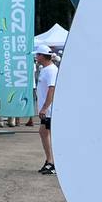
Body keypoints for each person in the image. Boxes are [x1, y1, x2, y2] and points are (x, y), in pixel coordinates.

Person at [34, 43, 57, 174]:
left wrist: (44, 108)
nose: (36, 57)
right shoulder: (45, 69)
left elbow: (51, 89)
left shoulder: (51, 70)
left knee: (46, 133)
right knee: (43, 132)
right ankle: (49, 161)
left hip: (50, 110)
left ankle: (52, 163)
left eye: (38, 55)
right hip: (47, 110)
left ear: (42, 56)